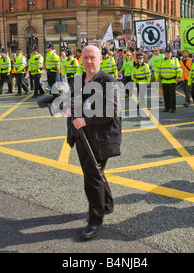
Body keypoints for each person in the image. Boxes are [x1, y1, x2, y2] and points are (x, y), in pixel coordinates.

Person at [68, 45, 122, 240]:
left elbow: (111, 110)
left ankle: (95, 219)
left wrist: (86, 120)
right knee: (95, 173)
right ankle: (106, 204)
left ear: (101, 59)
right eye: (85, 58)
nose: (89, 61)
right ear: (81, 59)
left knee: (91, 177)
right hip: (81, 137)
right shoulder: (77, 80)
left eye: (93, 57)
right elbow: (72, 102)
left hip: (101, 138)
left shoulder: (108, 81)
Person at [154, 46, 182, 113]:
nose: (168, 54)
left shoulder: (175, 60)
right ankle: (167, 107)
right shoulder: (161, 61)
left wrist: (178, 77)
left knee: (172, 95)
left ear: (171, 53)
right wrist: (156, 78)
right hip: (164, 80)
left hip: (172, 80)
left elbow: (179, 70)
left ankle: (173, 108)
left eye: (169, 52)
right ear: (164, 53)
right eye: (166, 52)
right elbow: (157, 70)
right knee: (166, 95)